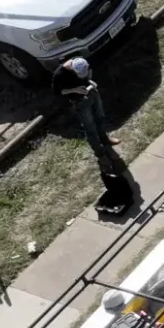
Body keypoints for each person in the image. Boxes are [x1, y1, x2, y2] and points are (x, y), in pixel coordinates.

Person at [53, 54, 140, 221]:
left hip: (92, 94)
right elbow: (58, 92)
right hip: (79, 102)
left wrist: (89, 83)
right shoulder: (60, 74)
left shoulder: (82, 63)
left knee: (100, 119)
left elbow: (89, 72)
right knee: (90, 129)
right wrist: (75, 90)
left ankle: (106, 140)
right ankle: (100, 154)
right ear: (72, 69)